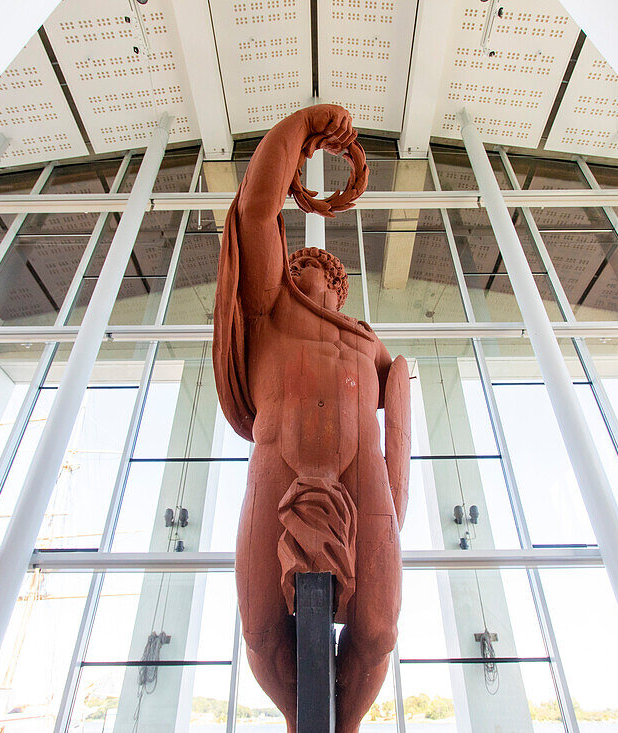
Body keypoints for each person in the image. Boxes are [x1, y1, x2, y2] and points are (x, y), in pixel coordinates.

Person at [214, 104, 410, 732]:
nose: (295, 269)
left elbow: (400, 422)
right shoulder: (271, 310)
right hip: (278, 457)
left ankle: (344, 726)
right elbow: (257, 209)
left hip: (362, 473)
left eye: (309, 267)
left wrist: (395, 503)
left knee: (377, 630)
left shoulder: (370, 347)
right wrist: (303, 129)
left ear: (337, 284)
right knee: (263, 631)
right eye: (291, 264)